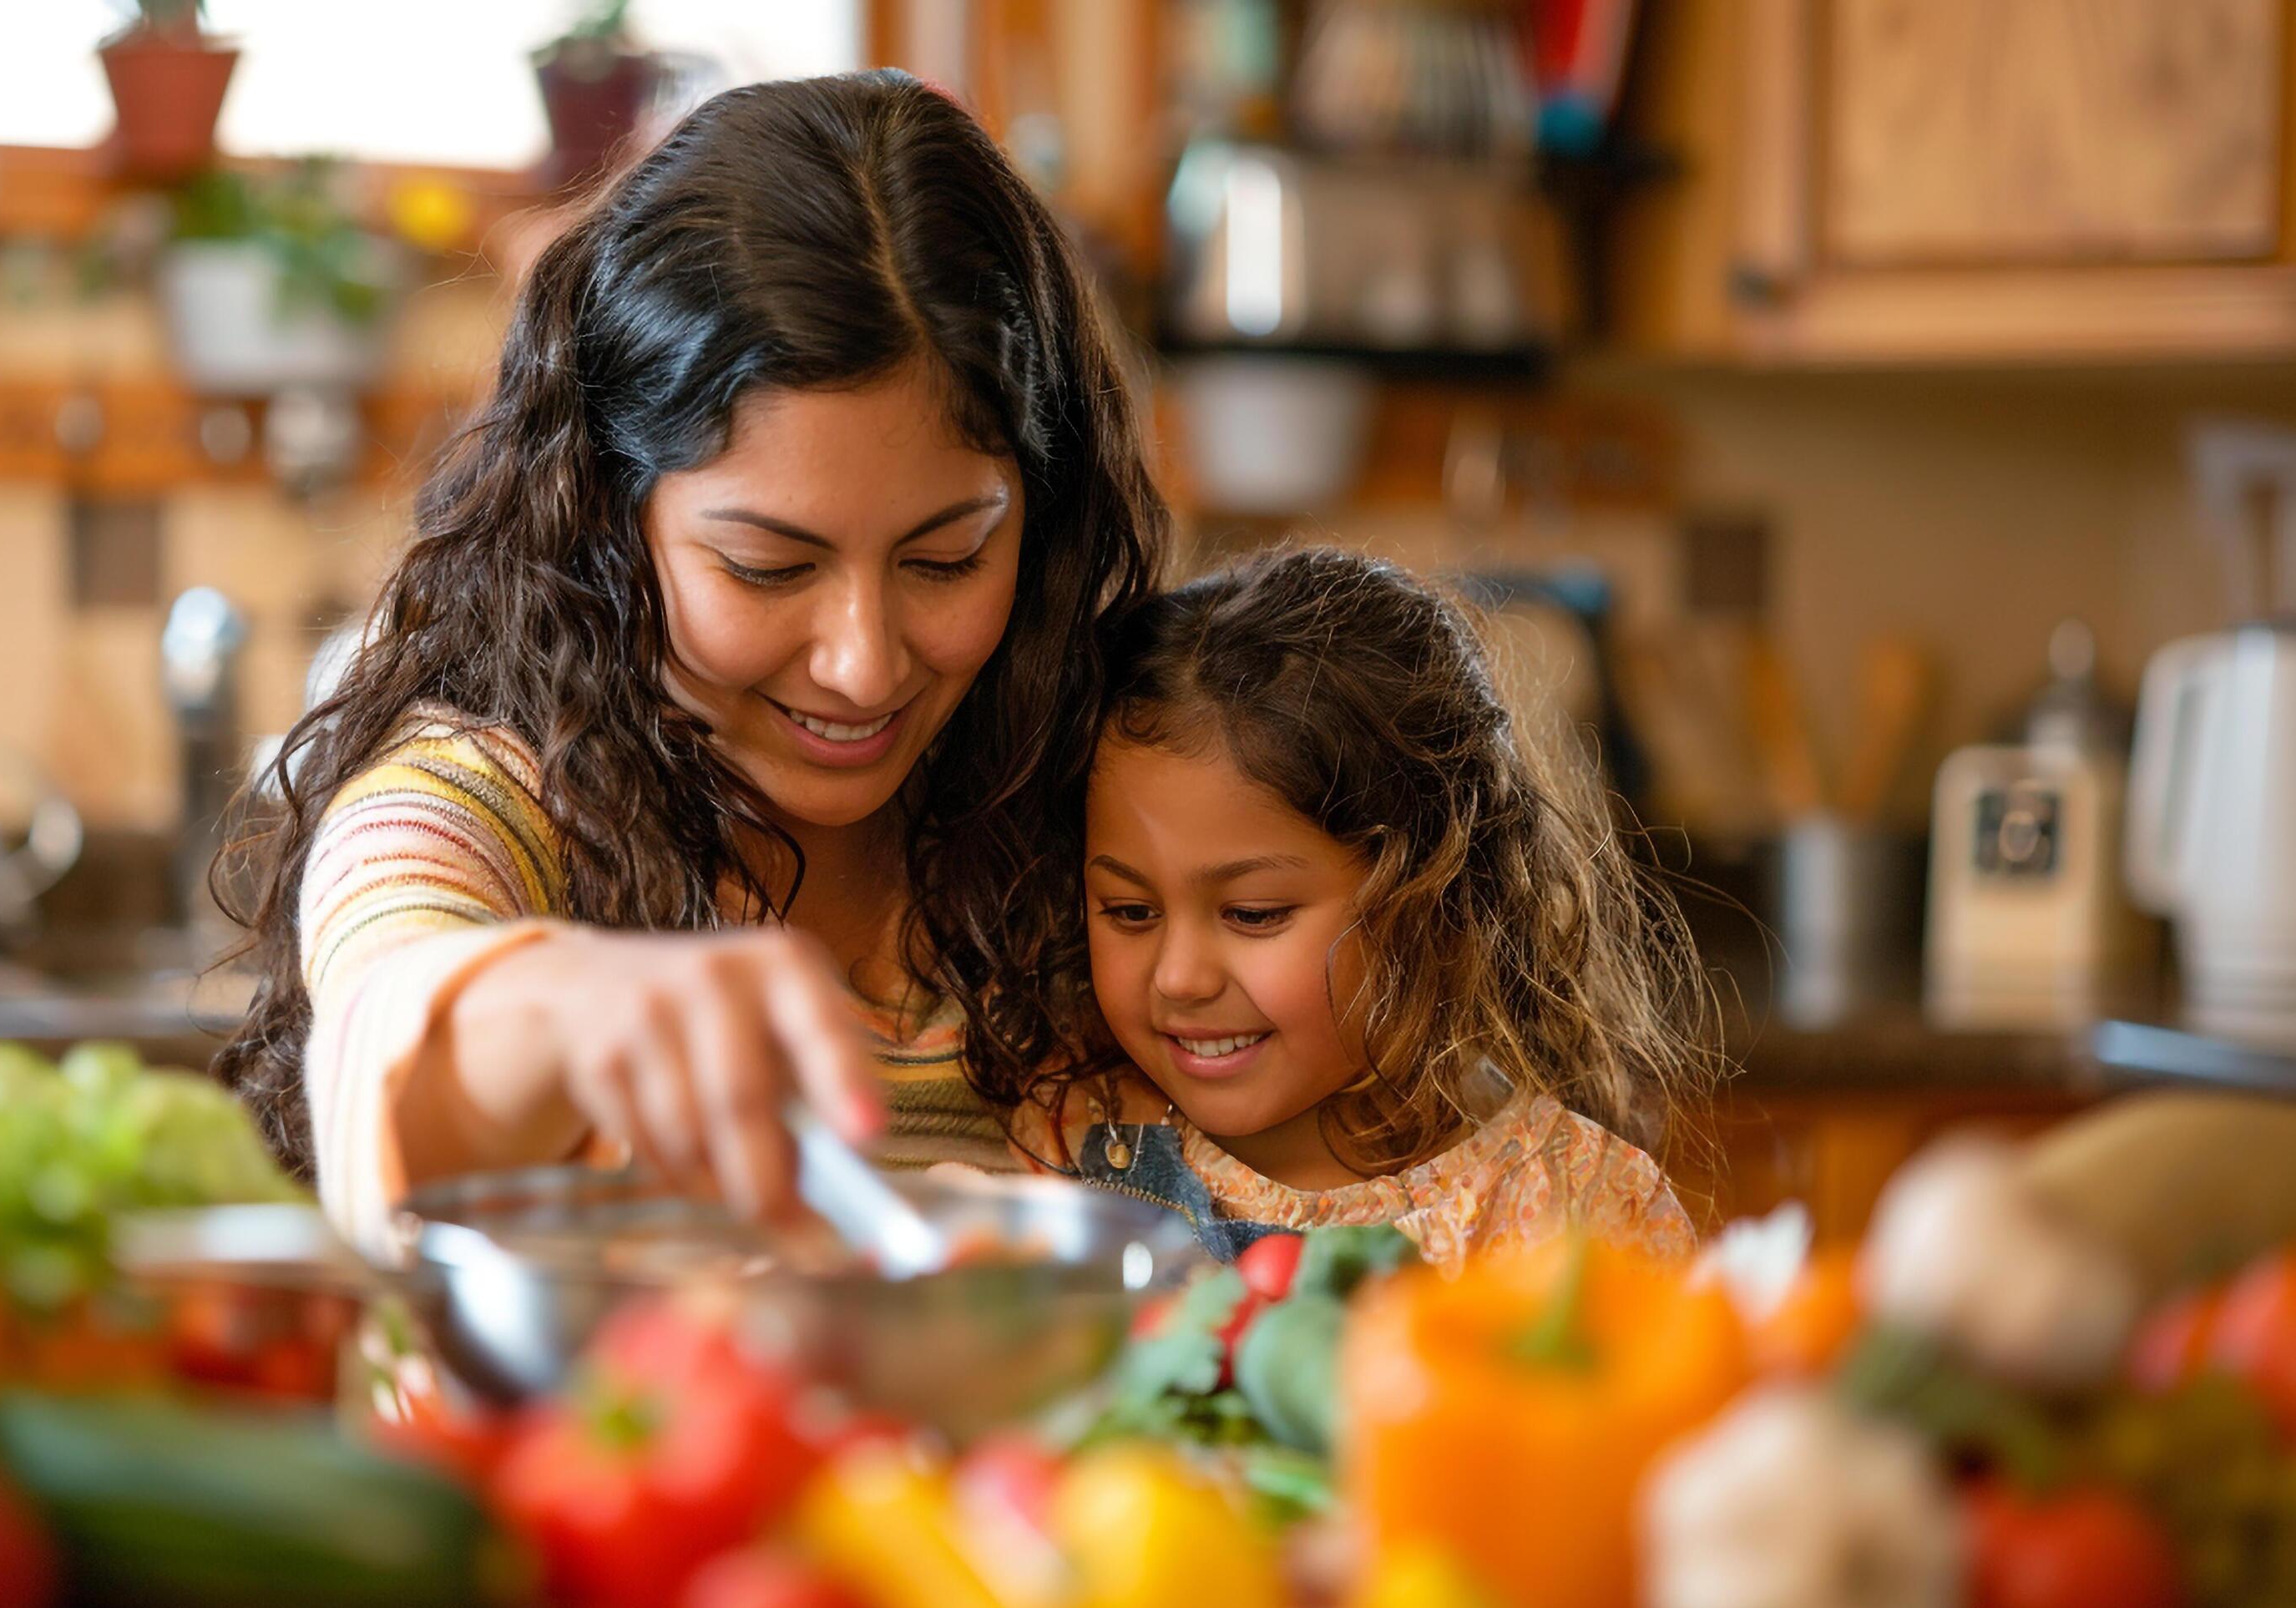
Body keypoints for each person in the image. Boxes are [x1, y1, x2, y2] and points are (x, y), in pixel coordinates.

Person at [217, 70, 1164, 1251]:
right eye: (768, 569)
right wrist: (571, 1005)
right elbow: (392, 1003)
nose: (862, 667)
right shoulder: (479, 803)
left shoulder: (1109, 799)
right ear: (614, 516)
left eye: (946, 559)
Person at [1007, 549, 1721, 1269]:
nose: (1180, 978)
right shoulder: (1068, 1136)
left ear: (1433, 890)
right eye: (1130, 911)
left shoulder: (1578, 1208)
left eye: (1253, 914)